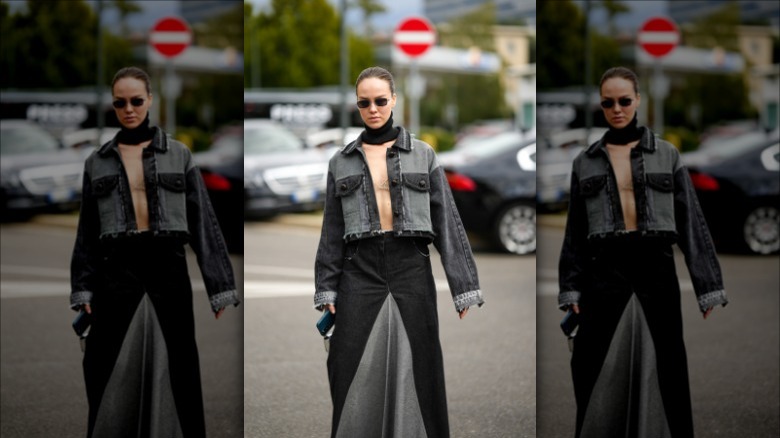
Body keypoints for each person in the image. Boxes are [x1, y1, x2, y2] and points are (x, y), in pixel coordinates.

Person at [70, 66, 240, 438]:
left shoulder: (179, 154)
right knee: (104, 364)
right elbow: (87, 232)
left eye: (136, 100)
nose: (128, 108)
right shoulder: (96, 161)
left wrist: (219, 286)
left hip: (167, 268)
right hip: (115, 271)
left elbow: (203, 221)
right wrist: (82, 289)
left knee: (178, 366)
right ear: (112, 106)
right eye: (120, 102)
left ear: (150, 101)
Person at [314, 66, 484, 438]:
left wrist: (463, 285)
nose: (372, 108)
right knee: (346, 367)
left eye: (379, 100)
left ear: (394, 100)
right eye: (364, 102)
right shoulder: (340, 161)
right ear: (357, 106)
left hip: (411, 268)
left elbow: (446, 221)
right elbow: (331, 230)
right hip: (358, 270)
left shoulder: (423, 154)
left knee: (420, 367)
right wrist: (327, 288)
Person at [558, 66, 728, 438]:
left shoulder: (667, 154)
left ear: (638, 101)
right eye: (608, 102)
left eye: (624, 100)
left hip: (656, 269)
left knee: (665, 366)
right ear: (600, 106)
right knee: (592, 365)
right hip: (604, 272)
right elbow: (575, 233)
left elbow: (690, 221)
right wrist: (571, 288)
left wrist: (707, 285)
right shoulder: (584, 161)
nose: (616, 108)